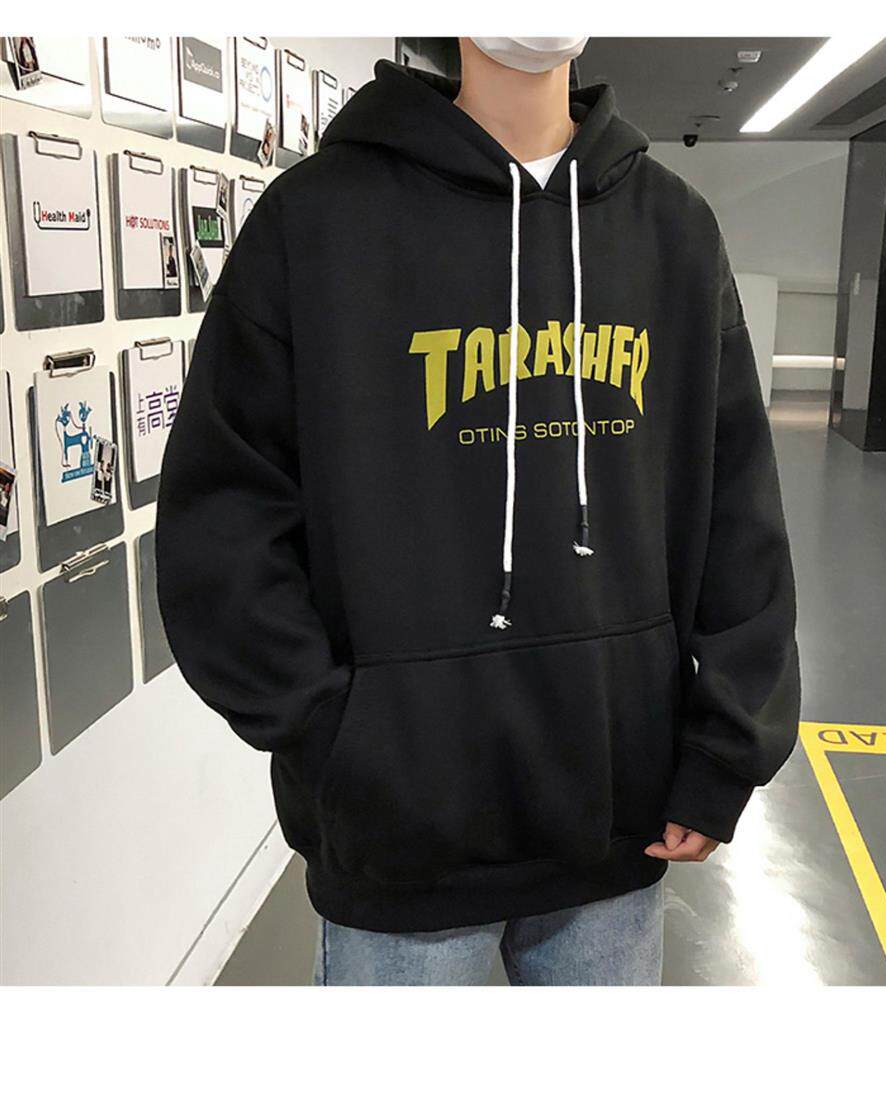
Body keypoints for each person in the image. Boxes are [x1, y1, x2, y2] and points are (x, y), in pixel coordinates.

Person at [156, 37, 800, 986]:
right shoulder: (315, 221)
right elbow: (223, 520)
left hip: (615, 832)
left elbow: (740, 514)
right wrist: (335, 738)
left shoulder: (674, 231)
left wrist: (726, 749)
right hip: (396, 851)